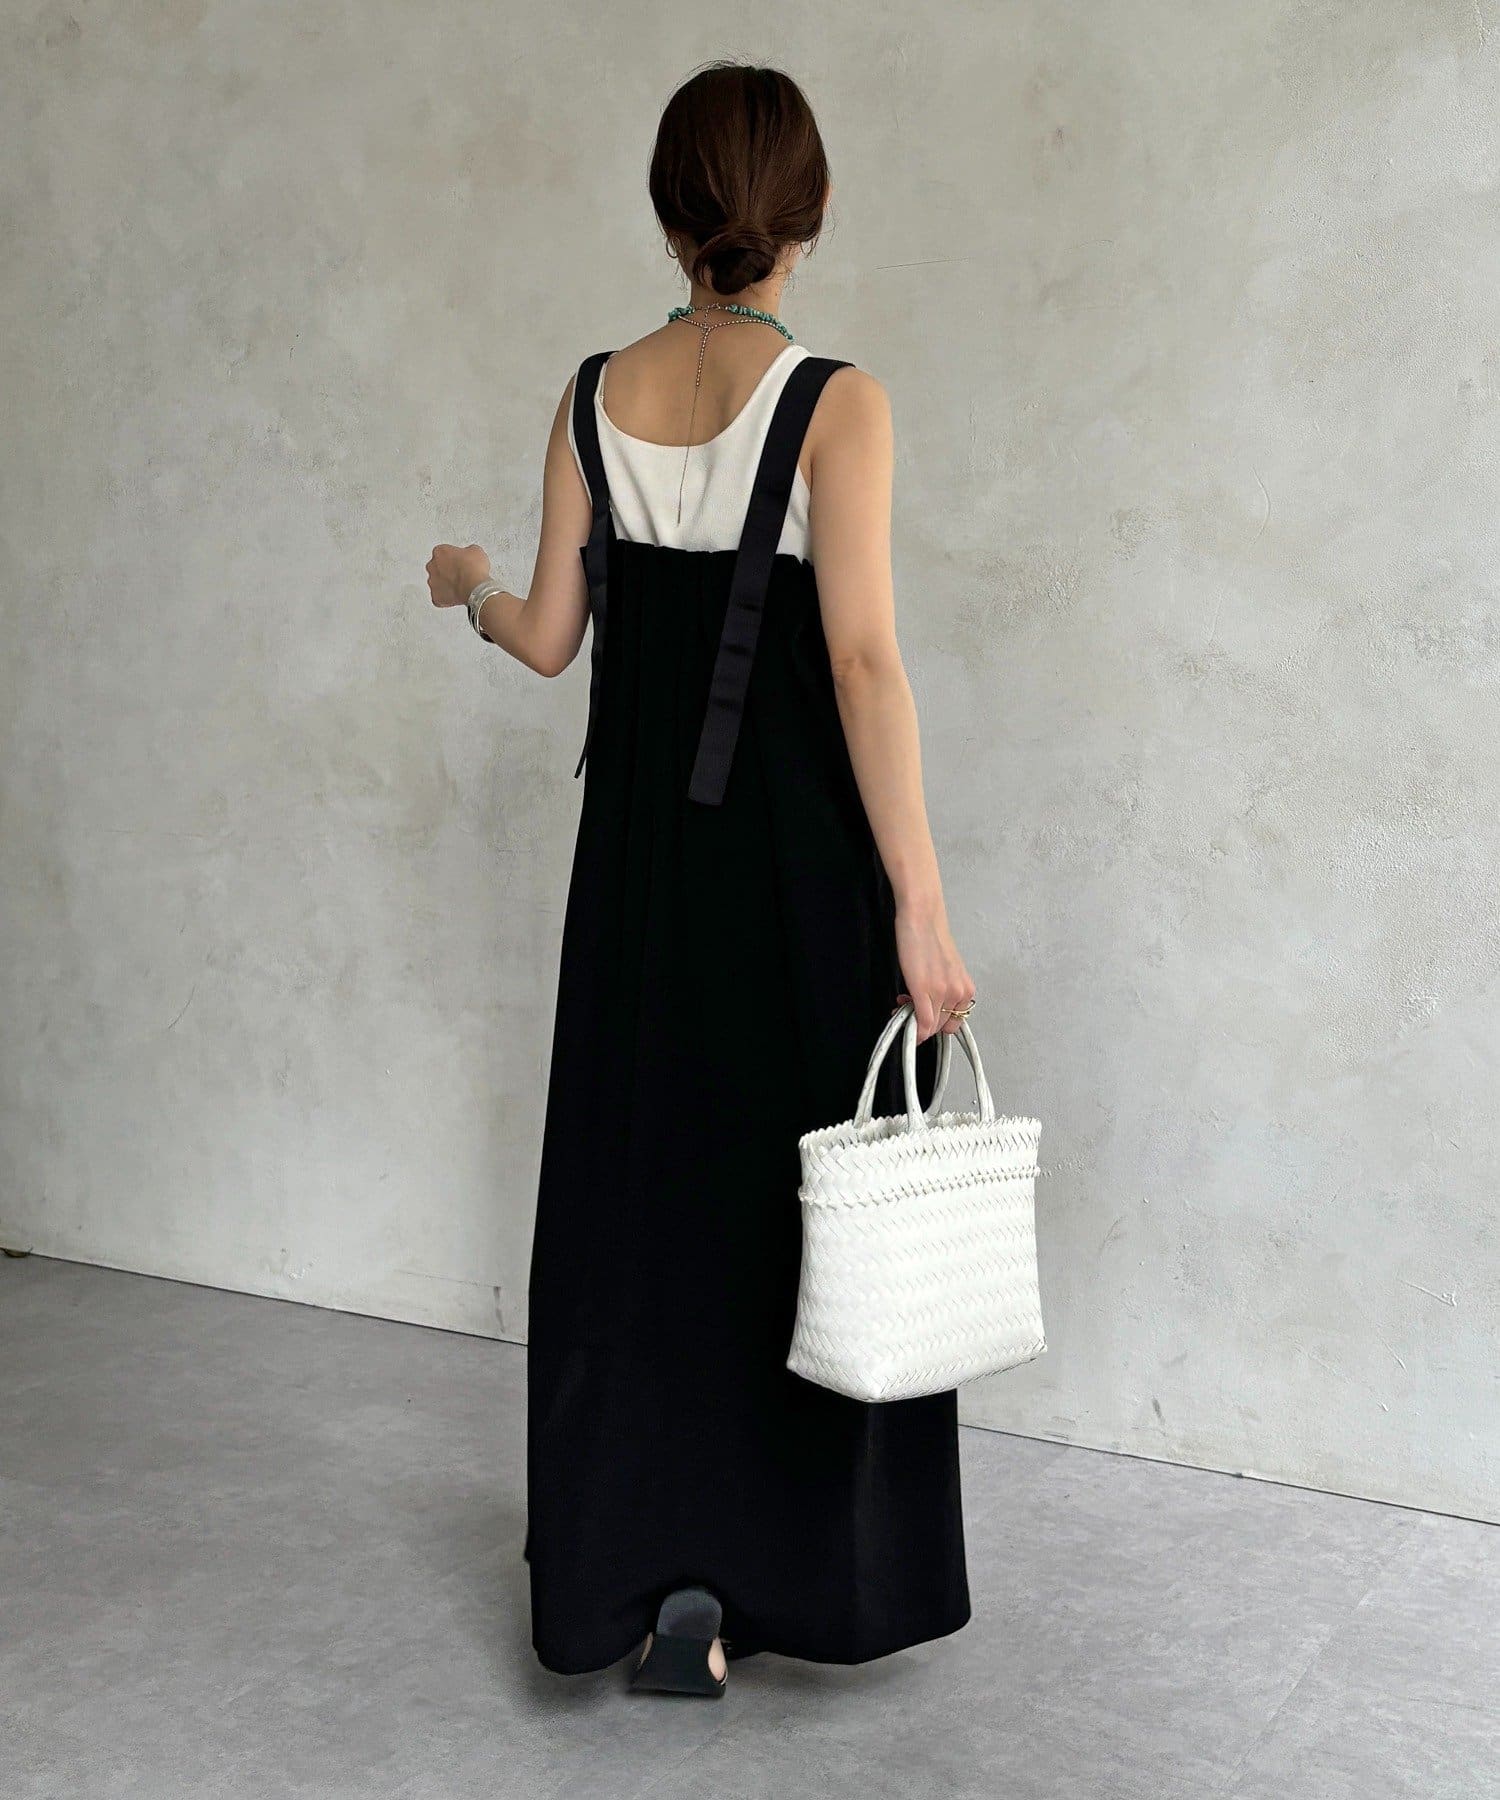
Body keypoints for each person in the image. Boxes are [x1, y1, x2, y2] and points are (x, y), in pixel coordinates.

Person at [427, 60, 977, 1696]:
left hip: (639, 881)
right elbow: (862, 664)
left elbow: (548, 640)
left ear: (671, 216)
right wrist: (920, 905)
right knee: (798, 1212)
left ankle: (643, 1578)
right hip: (796, 880)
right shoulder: (839, 404)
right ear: (811, 213)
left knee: (638, 1203)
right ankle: (769, 1580)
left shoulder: (590, 394)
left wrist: (469, 584)